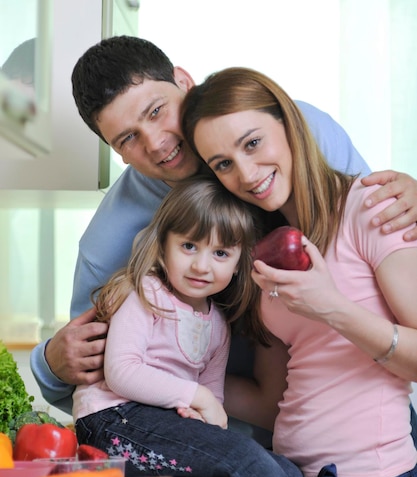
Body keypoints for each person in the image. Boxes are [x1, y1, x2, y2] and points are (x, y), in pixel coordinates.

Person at [73, 172, 411, 477]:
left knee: (284, 472)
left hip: (164, 430)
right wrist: (193, 397)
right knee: (244, 459)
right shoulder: (145, 294)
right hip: (114, 423)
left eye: (220, 253)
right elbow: (122, 371)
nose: (201, 265)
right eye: (188, 247)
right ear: (163, 245)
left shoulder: (215, 325)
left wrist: (206, 417)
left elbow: (212, 396)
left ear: (239, 264)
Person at [29, 35, 417, 422]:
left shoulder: (296, 131)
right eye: (128, 139)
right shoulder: (108, 242)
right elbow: (96, 388)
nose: (156, 142)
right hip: (235, 434)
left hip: (372, 411)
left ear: (184, 82)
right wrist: (50, 365)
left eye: (156, 111)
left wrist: (408, 196)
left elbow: (378, 230)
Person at [180, 66, 417, 477]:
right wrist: (166, 376)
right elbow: (271, 398)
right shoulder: (263, 257)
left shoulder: (371, 205)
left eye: (253, 143)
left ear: (289, 124)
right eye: (223, 164)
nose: (246, 172)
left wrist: (329, 303)